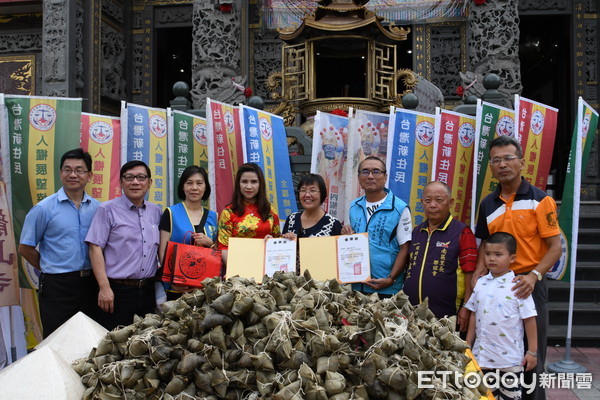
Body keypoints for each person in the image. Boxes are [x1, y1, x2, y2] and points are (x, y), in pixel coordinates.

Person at [474, 136, 561, 400]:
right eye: (496, 160)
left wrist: (534, 276)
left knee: (531, 357)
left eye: (508, 158)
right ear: (491, 167)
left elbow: (555, 247)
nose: (502, 164)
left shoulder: (540, 200)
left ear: (522, 162)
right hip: (496, 288)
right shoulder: (488, 203)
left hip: (527, 286)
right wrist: (479, 273)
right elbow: (484, 244)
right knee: (496, 355)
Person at [18, 148, 100, 337]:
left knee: (90, 338)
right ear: (61, 173)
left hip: (91, 283)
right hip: (57, 286)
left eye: (79, 170)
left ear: (89, 175)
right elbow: (25, 247)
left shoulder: (98, 209)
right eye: (67, 169)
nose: (73, 174)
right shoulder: (44, 208)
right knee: (57, 339)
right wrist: (49, 267)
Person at [85, 160, 162, 330]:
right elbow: (94, 248)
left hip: (148, 291)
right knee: (115, 347)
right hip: (117, 292)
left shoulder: (156, 211)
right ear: (121, 182)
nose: (135, 182)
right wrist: (104, 288)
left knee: (146, 344)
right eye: (129, 177)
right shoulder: (107, 210)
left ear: (149, 182)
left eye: (141, 177)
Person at [466, 232, 538, 400]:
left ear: (512, 258)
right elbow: (473, 315)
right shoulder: (480, 283)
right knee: (483, 396)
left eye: (498, 255)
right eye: (488, 254)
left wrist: (532, 352)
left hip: (509, 362)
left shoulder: (519, 286)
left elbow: (530, 320)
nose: (492, 259)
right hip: (481, 358)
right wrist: (468, 343)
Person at [403, 181, 477, 332]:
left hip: (447, 316)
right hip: (413, 315)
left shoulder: (461, 232)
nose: (432, 205)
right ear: (421, 203)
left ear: (450, 203)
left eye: (439, 200)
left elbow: (471, 272)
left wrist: (466, 307)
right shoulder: (417, 232)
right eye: (428, 200)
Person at [341, 156, 412, 297]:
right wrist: (346, 233)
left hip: (385, 286)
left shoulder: (399, 208)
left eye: (376, 172)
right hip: (356, 284)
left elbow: (405, 248)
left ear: (385, 177)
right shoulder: (354, 206)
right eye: (365, 172)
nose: (370, 176)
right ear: (359, 177)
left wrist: (391, 278)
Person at [158, 165, 218, 300]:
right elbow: (162, 251)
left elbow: (218, 252)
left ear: (205, 187)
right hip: (177, 288)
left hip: (205, 289)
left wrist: (210, 243)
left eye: (199, 183)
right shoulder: (171, 213)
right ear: (183, 187)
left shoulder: (214, 217)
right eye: (189, 183)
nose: (194, 187)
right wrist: (172, 281)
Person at [217, 163, 281, 264]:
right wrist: (235, 271)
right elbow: (223, 247)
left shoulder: (270, 211)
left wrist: (272, 242)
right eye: (244, 181)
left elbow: (278, 242)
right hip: (238, 270)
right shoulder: (228, 212)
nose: (249, 186)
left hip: (266, 268)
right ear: (238, 184)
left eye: (254, 182)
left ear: (260, 184)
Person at [281, 173, 343, 271]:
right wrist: (284, 239)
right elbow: (281, 252)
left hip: (321, 282)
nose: (307, 195)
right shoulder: (292, 219)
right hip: (292, 282)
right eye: (303, 190)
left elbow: (340, 258)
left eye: (313, 190)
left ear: (322, 193)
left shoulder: (333, 224)